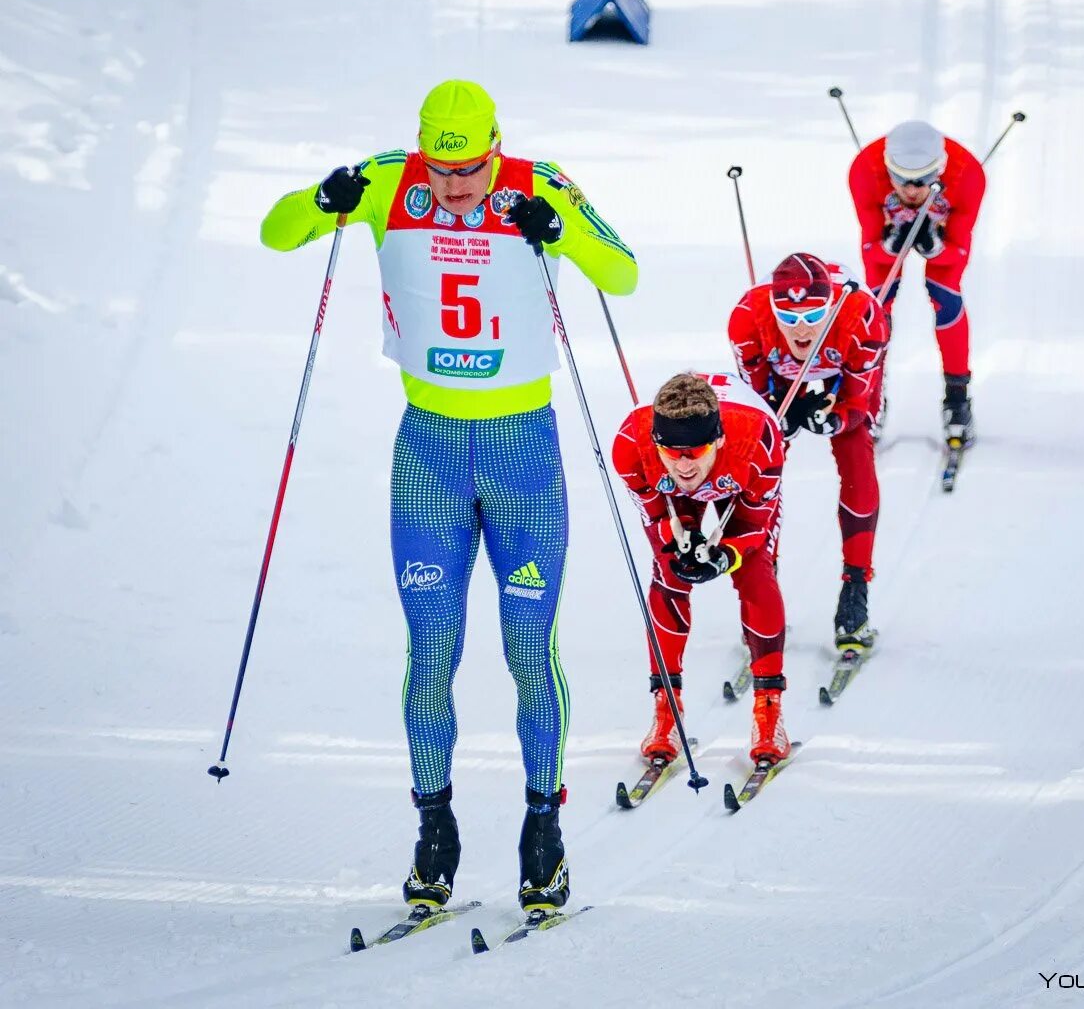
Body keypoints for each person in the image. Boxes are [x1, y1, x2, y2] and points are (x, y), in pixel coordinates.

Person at [260, 80, 637, 914]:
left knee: (528, 650)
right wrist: (321, 200)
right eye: (443, 167)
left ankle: (545, 833)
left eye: (470, 170)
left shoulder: (539, 182)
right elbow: (277, 232)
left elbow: (624, 271)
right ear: (423, 146)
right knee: (431, 651)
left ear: (495, 144)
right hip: (427, 450)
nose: (456, 186)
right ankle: (436, 829)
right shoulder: (391, 180)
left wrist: (563, 227)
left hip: (522, 454)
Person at [611, 371, 791, 767]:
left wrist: (726, 555)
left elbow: (756, 528)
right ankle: (666, 711)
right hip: (672, 493)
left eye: (697, 450)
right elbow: (657, 526)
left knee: (756, 573)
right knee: (670, 574)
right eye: (672, 451)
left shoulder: (759, 442)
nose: (685, 464)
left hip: (741, 478)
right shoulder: (630, 447)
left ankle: (769, 711)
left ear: (719, 439)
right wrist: (679, 539)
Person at [728, 252, 888, 652]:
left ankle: (855, 590)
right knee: (757, 463)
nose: (801, 330)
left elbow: (856, 402)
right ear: (772, 310)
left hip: (841, 374)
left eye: (814, 318)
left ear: (830, 307)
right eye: (790, 318)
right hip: (780, 380)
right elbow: (759, 405)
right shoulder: (747, 320)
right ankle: (761, 586)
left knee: (856, 453)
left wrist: (836, 419)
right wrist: (778, 415)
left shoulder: (862, 316)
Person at [848, 120, 985, 444]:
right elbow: (871, 250)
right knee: (876, 304)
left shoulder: (968, 175)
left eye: (922, 181)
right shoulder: (865, 170)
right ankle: (871, 393)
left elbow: (959, 252)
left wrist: (935, 247)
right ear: (886, 168)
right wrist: (890, 244)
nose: (910, 190)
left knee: (946, 296)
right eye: (899, 178)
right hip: (888, 236)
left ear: (940, 169)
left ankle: (957, 399)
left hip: (942, 234)